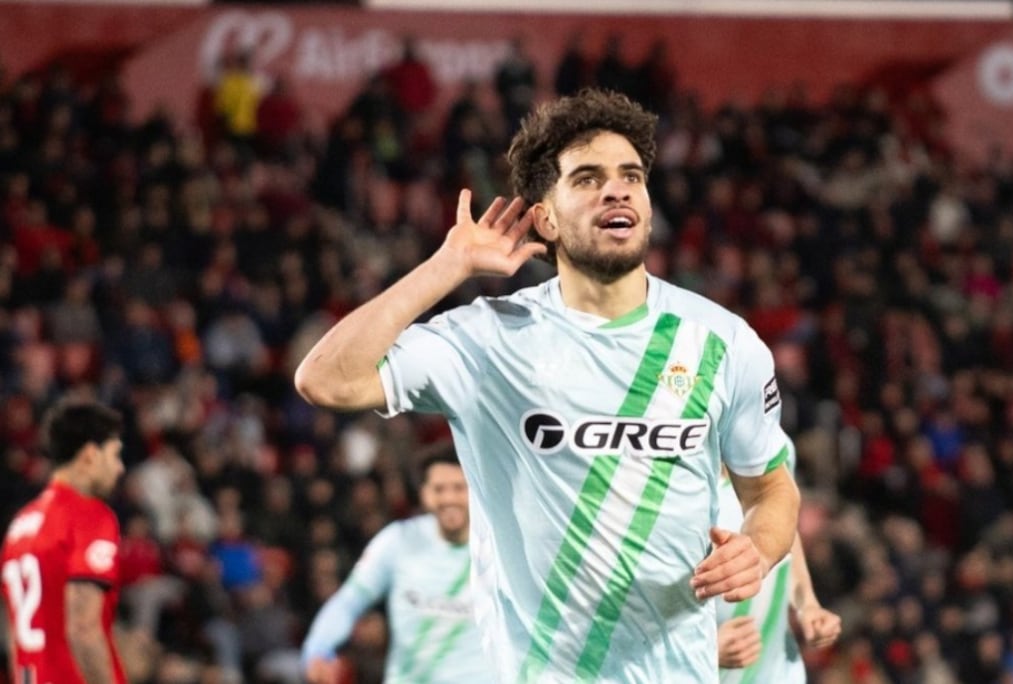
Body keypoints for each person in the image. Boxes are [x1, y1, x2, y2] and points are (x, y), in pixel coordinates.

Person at [295, 88, 800, 683]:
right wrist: (446, 267)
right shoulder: (487, 341)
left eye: (631, 176)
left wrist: (757, 550)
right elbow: (326, 380)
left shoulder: (724, 341)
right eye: (587, 179)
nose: (617, 190)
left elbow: (771, 490)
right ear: (545, 219)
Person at [300, 453, 489, 684]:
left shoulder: (499, 549)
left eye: (459, 488)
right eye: (439, 489)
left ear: (476, 489)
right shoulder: (399, 540)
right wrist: (318, 649)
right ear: (424, 493)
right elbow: (348, 601)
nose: (449, 498)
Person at [1, 399, 127, 684]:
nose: (119, 468)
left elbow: (13, 632)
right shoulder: (88, 515)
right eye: (114, 455)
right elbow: (83, 627)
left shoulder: (20, 525)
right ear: (90, 455)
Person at [715, 437, 841, 683]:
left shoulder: (776, 446)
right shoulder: (678, 480)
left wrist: (807, 604)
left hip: (778, 672)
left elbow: (785, 531)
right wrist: (705, 650)